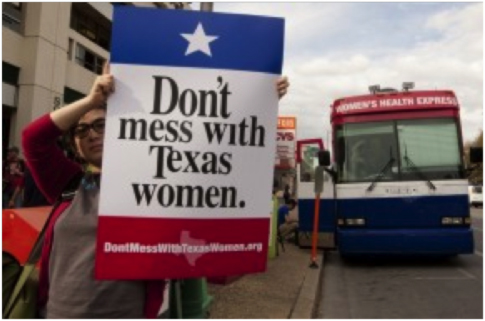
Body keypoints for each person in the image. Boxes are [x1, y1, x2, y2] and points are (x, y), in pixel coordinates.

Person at [22, 62, 290, 318]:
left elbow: (212, 144)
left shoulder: (160, 188)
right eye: (80, 130)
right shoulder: (68, 185)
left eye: (101, 125)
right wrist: (91, 101)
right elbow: (33, 139)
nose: (91, 134)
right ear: (76, 145)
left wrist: (259, 100)